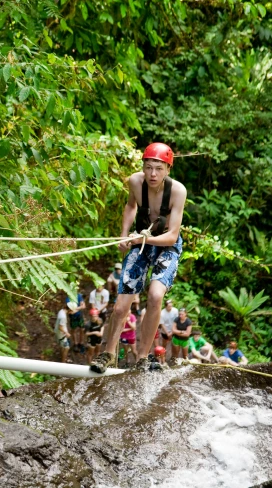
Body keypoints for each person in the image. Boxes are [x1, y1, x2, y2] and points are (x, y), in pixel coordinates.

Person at [91, 143, 187, 374]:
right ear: (142, 167)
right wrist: (124, 236)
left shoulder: (177, 191)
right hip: (139, 241)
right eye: (148, 167)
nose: (153, 174)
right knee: (122, 304)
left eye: (158, 169)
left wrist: (138, 240)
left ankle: (143, 356)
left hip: (166, 245)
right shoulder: (135, 182)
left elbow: (172, 236)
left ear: (168, 169)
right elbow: (130, 206)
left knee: (155, 296)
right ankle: (109, 353)